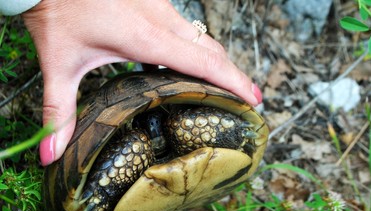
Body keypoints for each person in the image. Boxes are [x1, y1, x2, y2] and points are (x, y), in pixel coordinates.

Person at [0, 0, 262, 166]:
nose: (154, 127)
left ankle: (237, 133)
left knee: (183, 126)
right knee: (138, 144)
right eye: (146, 124)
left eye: (157, 120)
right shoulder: (135, 143)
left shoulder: (177, 125)